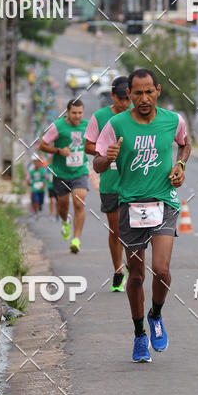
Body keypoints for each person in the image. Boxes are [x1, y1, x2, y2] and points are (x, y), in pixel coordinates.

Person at [94, 68, 191, 362]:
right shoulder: (116, 124)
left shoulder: (173, 120)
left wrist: (180, 166)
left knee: (161, 270)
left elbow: (185, 144)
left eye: (149, 92)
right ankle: (139, 334)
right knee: (136, 274)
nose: (144, 98)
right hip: (131, 206)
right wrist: (106, 159)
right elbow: (97, 162)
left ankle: (156, 314)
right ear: (129, 95)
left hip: (164, 202)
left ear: (158, 91)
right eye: (138, 93)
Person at [84, 76, 131, 292]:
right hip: (110, 183)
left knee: (135, 229)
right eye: (121, 98)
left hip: (134, 182)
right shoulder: (100, 117)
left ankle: (133, 264)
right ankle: (118, 270)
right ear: (112, 96)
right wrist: (106, 151)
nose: (125, 103)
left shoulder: (137, 115)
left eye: (128, 98)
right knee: (116, 230)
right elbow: (88, 145)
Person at [39, 98, 89, 253]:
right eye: (74, 113)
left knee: (79, 203)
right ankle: (65, 221)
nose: (77, 116)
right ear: (67, 112)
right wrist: (59, 151)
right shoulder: (57, 126)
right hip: (61, 173)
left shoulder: (87, 126)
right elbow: (42, 145)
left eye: (80, 113)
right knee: (63, 206)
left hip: (80, 171)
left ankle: (76, 240)